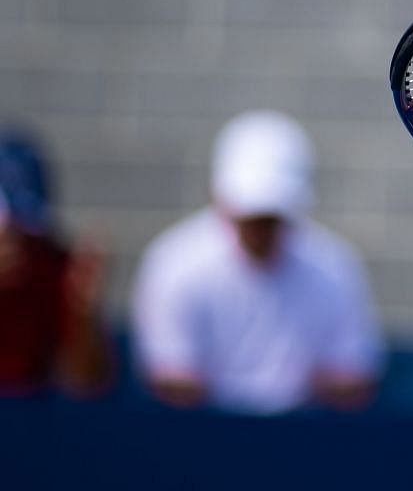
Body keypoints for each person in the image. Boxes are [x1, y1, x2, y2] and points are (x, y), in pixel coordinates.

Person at [130, 110, 382, 414]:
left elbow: (354, 376)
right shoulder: (173, 263)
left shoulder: (335, 266)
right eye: (250, 216)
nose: (260, 229)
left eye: (271, 217)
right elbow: (169, 378)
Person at [0, 129, 113, 398]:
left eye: (25, 227)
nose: (16, 242)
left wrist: (84, 315)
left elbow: (86, 385)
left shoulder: (54, 267)